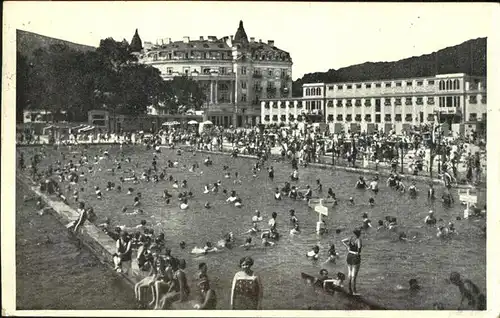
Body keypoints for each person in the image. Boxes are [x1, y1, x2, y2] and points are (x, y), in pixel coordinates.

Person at [341, 228, 362, 295]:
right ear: (359, 234)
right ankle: (354, 291)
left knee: (349, 274)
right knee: (354, 276)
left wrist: (347, 247)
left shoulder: (350, 238)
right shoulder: (358, 240)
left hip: (349, 255)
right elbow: (359, 249)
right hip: (355, 257)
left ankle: (349, 290)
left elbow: (342, 241)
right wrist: (358, 253)